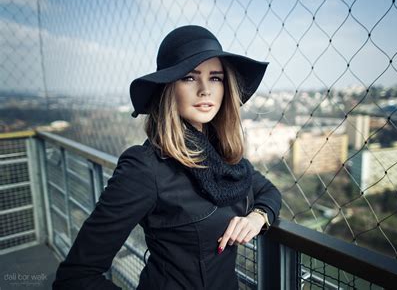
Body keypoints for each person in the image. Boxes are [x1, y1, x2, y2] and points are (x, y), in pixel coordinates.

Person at [52, 25, 282, 290]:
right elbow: (75, 277)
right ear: (168, 88)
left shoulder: (224, 157)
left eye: (216, 78)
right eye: (189, 77)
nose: (205, 90)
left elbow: (268, 191)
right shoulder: (145, 168)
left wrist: (258, 217)